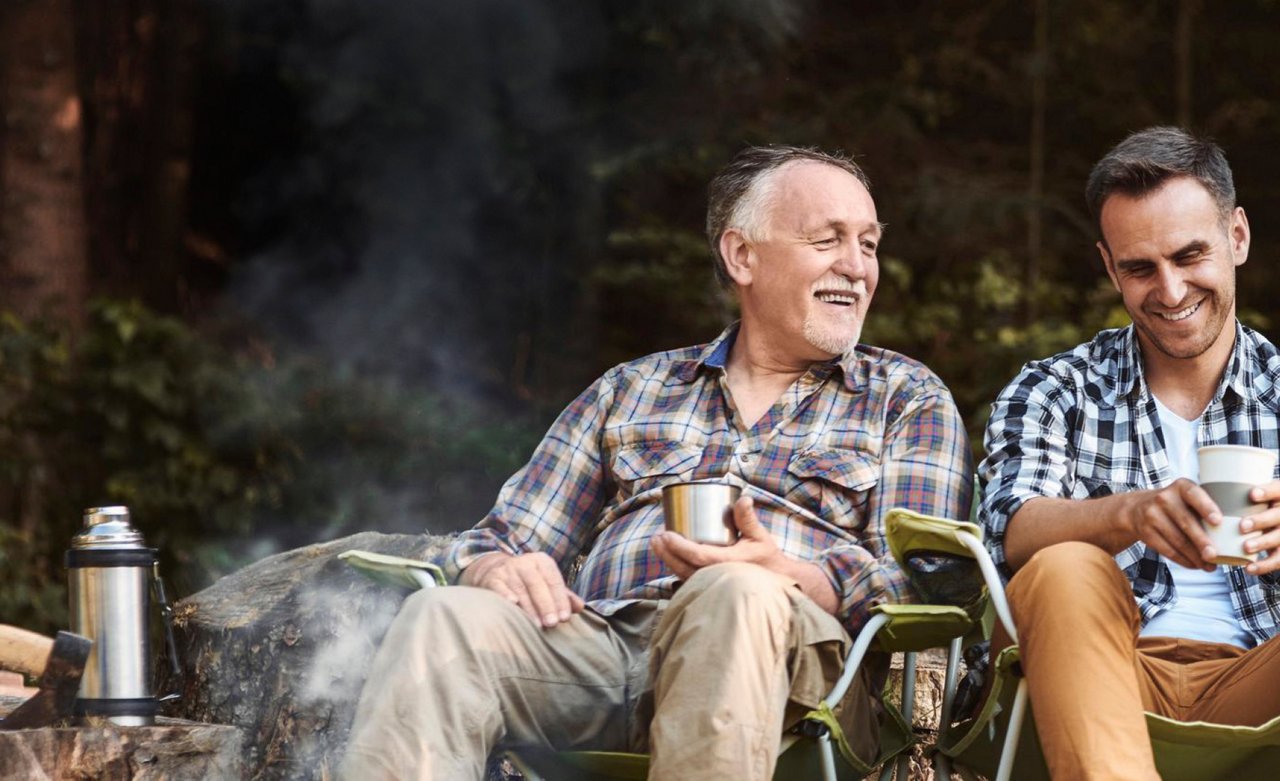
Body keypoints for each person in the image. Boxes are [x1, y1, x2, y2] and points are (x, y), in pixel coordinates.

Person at [340, 145, 973, 781]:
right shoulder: (632, 388)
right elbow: (501, 537)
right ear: (742, 256)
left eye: (868, 244)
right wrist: (494, 567)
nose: (857, 267)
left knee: (734, 591)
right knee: (444, 616)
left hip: (794, 667)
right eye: (828, 239)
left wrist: (796, 574)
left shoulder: (904, 397)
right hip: (607, 650)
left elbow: (930, 577)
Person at [980, 126, 1280, 781]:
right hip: (1093, 670)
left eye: (1189, 255)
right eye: (1141, 267)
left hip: (1259, 685)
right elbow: (1008, 527)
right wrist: (1129, 514)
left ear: (1238, 237)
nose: (1170, 291)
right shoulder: (1054, 388)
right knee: (1062, 566)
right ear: (1110, 266)